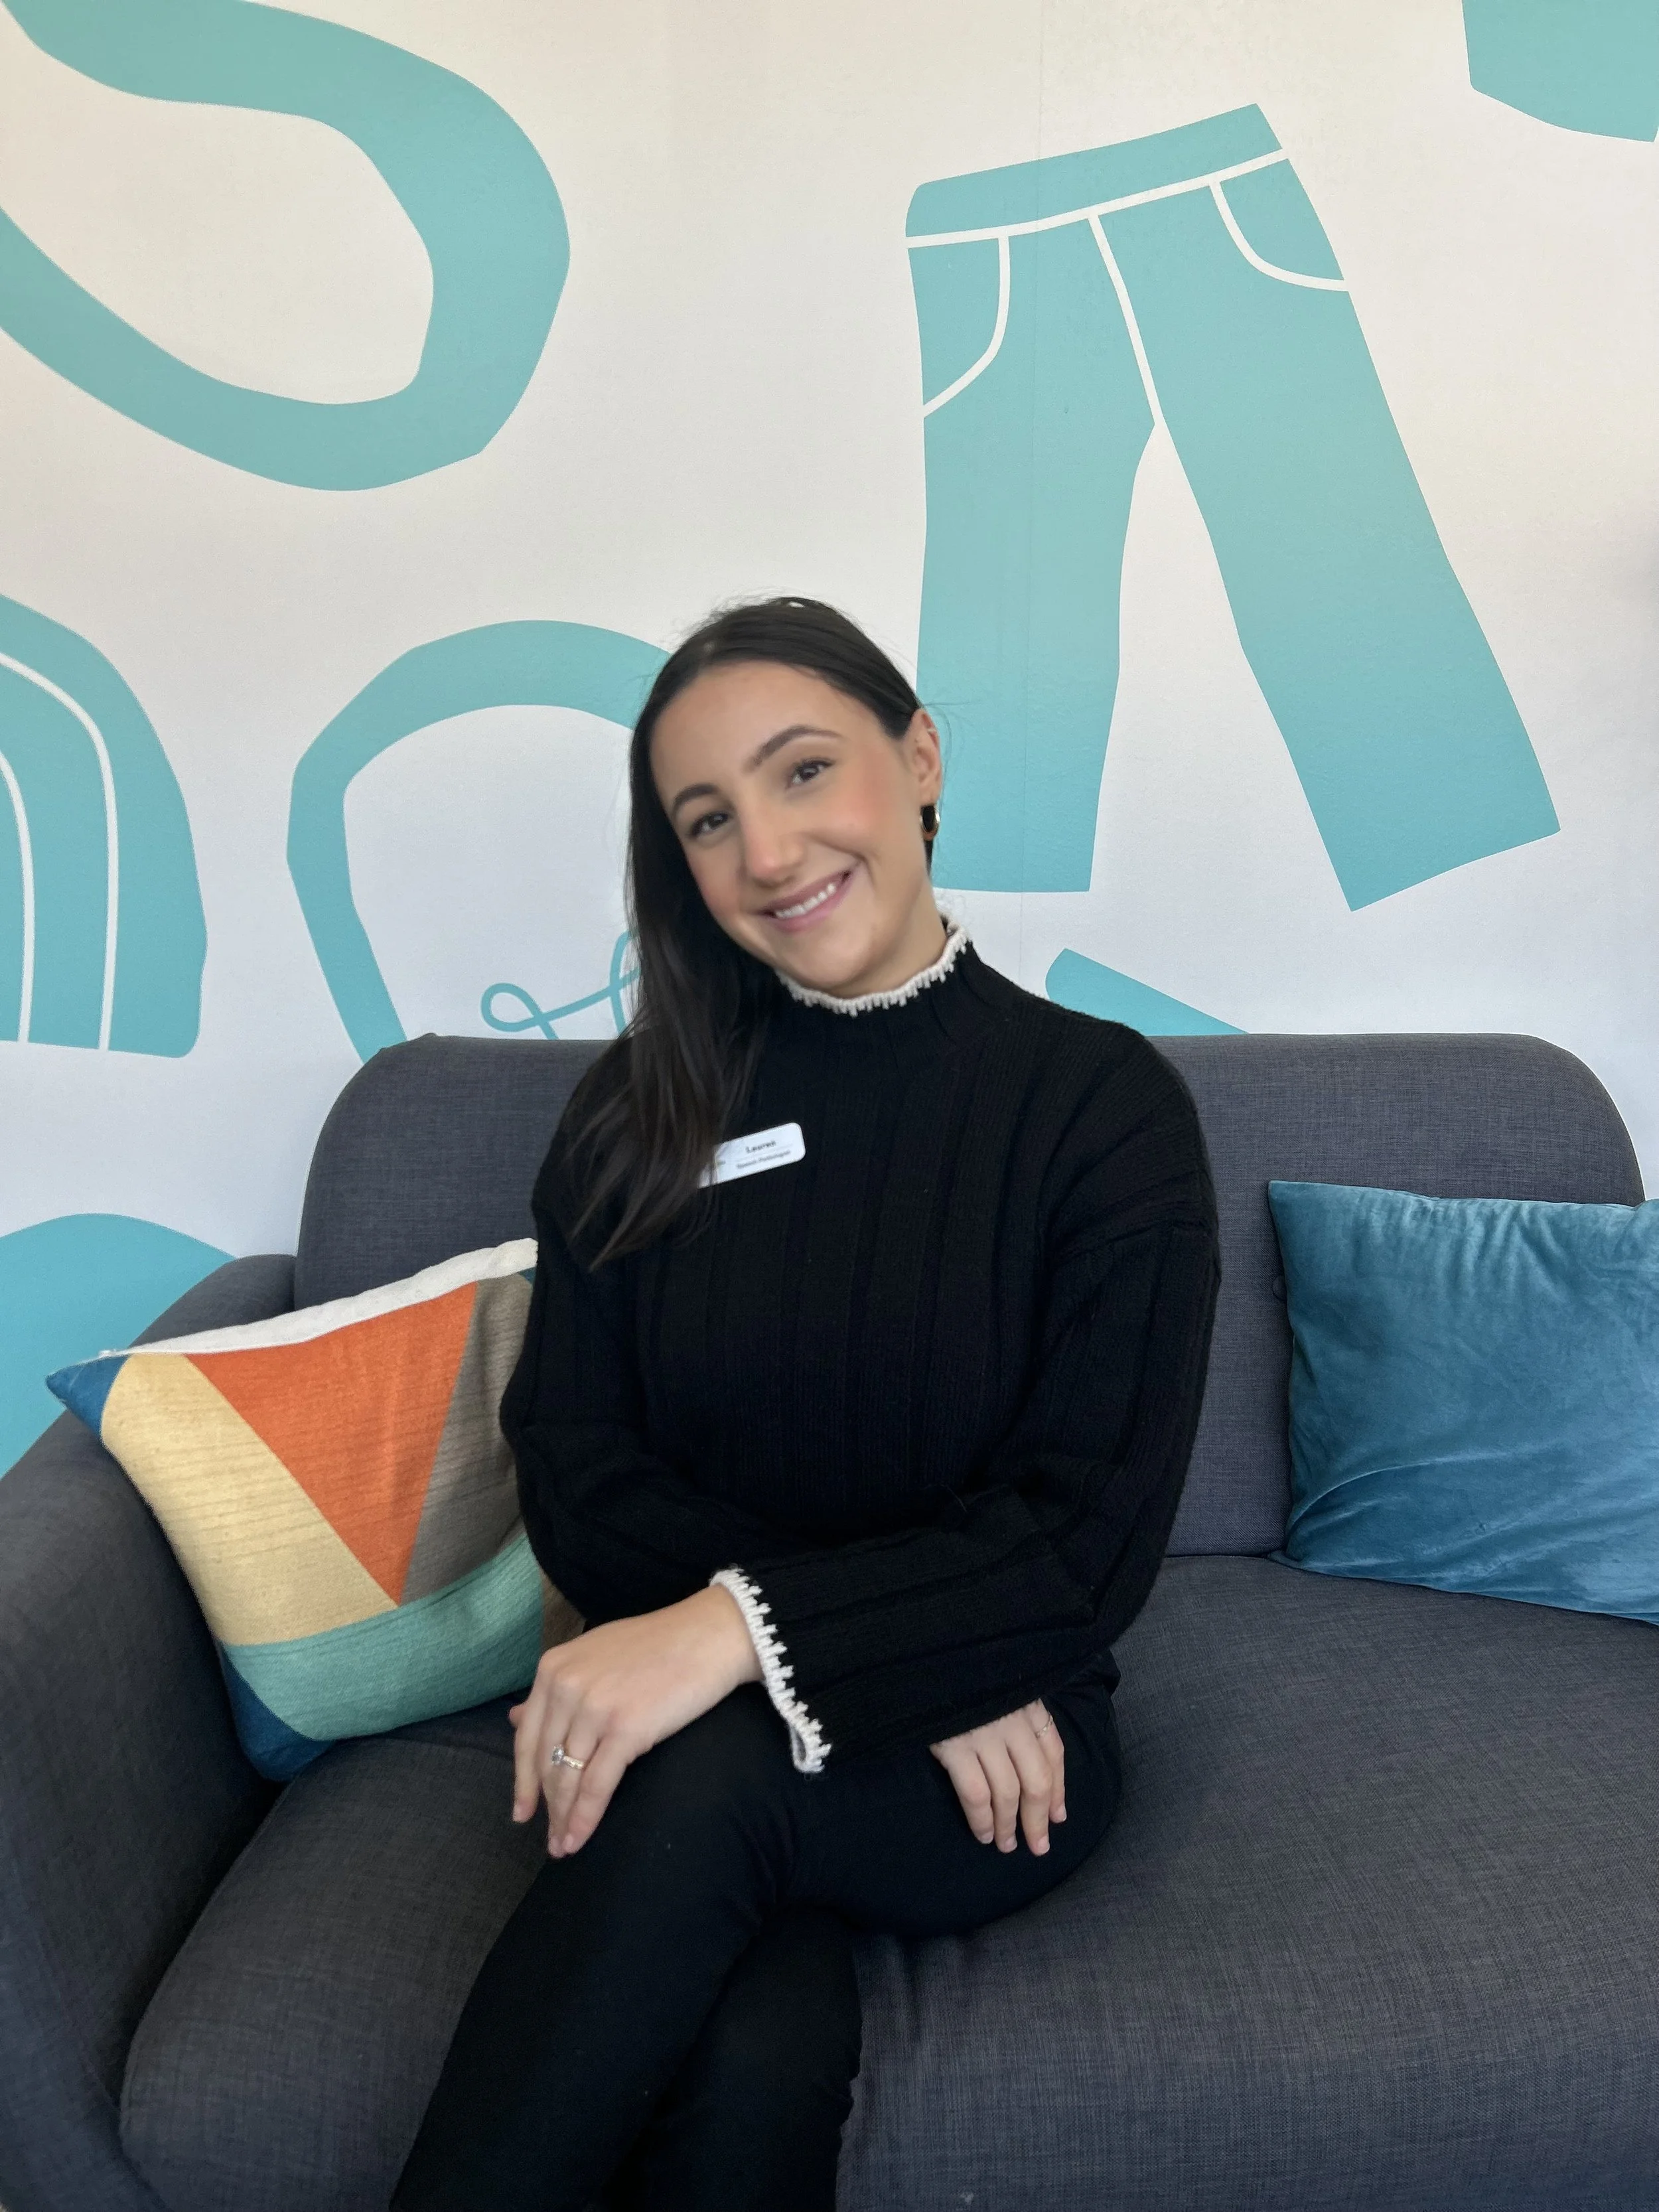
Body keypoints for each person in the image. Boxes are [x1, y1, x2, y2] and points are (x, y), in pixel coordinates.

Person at [394, 597, 1221, 2211]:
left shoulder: (1102, 1108)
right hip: (859, 1711)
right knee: (755, 2042)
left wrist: (739, 1633)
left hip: (998, 1755)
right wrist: (877, 1656)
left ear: (917, 759)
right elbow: (574, 1463)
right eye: (709, 819)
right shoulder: (637, 1111)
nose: (766, 851)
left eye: (802, 772)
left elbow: (1076, 1543)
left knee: (695, 1791)